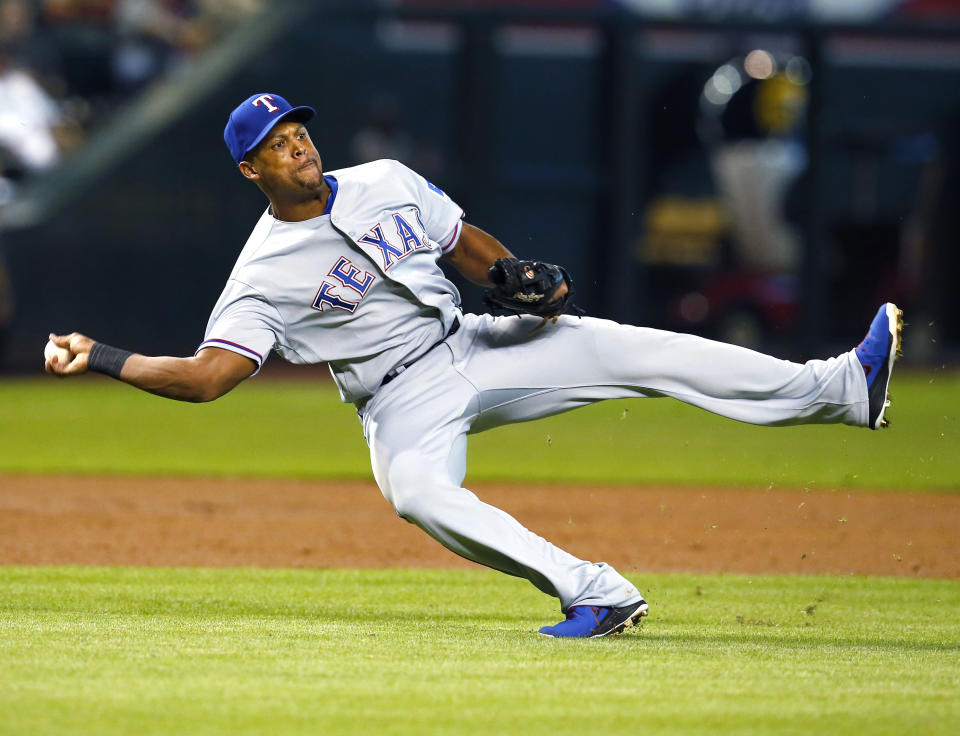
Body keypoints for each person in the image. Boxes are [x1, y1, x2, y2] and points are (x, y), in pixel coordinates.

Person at [46, 93, 903, 638]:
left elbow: (464, 244)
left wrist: (513, 278)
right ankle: (595, 592)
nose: (298, 145)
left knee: (643, 349)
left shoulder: (384, 178)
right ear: (250, 169)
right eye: (276, 142)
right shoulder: (262, 273)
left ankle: (840, 387)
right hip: (398, 402)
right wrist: (104, 357)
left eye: (299, 129)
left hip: (472, 345)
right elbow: (208, 377)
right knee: (415, 493)